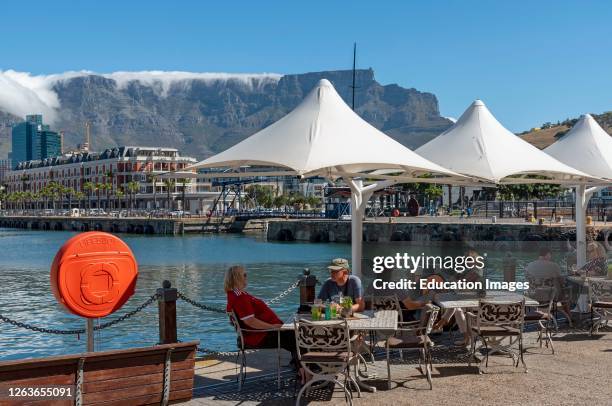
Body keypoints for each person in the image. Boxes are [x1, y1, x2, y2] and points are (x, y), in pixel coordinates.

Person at [224, 265, 307, 382]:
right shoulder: (239, 297)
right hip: (259, 336)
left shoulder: (235, 295)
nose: (247, 277)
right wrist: (273, 327)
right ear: (237, 277)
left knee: (295, 335)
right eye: (244, 275)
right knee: (297, 337)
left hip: (261, 333)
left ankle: (302, 369)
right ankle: (306, 374)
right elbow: (250, 321)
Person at [525, 248, 574, 327]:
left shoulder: (529, 265)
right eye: (550, 255)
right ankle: (569, 317)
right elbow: (561, 281)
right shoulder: (553, 265)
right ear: (547, 255)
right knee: (564, 292)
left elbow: (528, 280)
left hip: (533, 296)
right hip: (550, 297)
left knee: (556, 291)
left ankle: (538, 314)